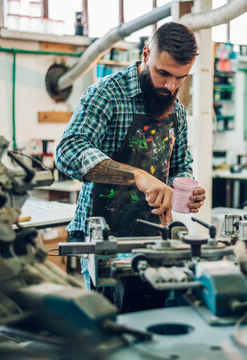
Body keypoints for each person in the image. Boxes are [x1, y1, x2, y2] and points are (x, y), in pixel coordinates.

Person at [55, 22, 206, 295]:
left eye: (181, 78)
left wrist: (184, 188)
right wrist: (138, 176)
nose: (171, 86)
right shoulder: (107, 94)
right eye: (163, 73)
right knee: (110, 325)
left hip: (153, 234)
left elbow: (180, 163)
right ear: (146, 54)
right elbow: (69, 151)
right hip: (104, 235)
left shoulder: (177, 111)